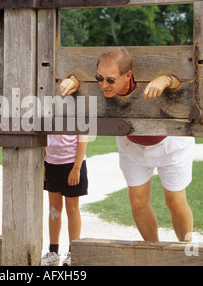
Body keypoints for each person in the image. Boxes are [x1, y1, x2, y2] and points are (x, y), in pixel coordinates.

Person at [65, 47, 194, 242]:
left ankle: (186, 252)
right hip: (131, 144)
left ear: (128, 76)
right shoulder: (102, 85)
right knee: (138, 202)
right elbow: (82, 79)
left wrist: (166, 80)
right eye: (99, 78)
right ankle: (153, 253)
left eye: (110, 80)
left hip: (170, 142)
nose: (103, 85)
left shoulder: (152, 81)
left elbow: (180, 82)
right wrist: (74, 80)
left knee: (175, 202)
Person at [41, 130, 88, 266]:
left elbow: (83, 138)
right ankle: (53, 252)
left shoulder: (76, 111)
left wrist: (76, 168)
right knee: (54, 209)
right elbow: (44, 137)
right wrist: (44, 162)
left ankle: (73, 252)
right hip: (52, 164)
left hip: (72, 163)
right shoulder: (49, 110)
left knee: (72, 208)